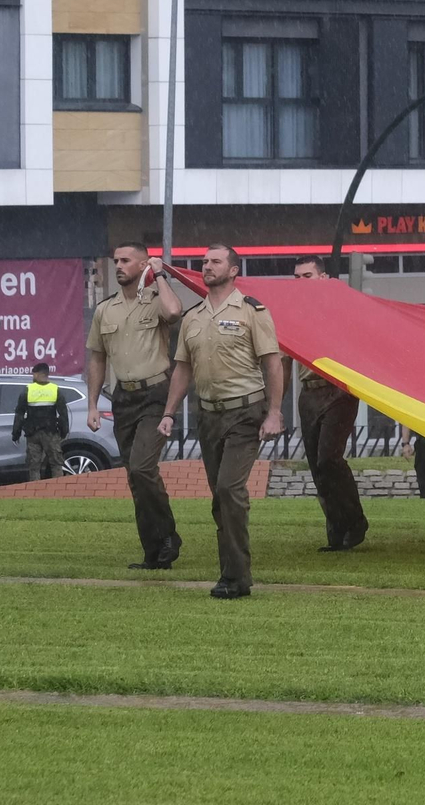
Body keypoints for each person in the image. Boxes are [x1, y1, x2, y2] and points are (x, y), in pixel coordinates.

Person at [159, 245, 285, 599]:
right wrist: (169, 413)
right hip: (208, 415)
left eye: (215, 261)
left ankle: (236, 577)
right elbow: (182, 368)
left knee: (230, 488)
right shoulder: (193, 316)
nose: (206, 266)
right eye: (204, 262)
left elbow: (272, 363)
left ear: (233, 271)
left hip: (246, 412)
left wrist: (274, 412)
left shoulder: (252, 311)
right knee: (221, 497)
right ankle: (230, 572)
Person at [85, 244, 184, 570]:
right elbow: (97, 358)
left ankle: (169, 535)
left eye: (126, 261)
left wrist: (160, 275)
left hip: (155, 394)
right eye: (116, 261)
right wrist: (92, 405)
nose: (119, 266)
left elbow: (173, 313)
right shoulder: (105, 310)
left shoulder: (156, 300)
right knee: (135, 478)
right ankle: (153, 553)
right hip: (123, 399)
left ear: (143, 264)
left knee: (142, 467)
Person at [292, 258, 369, 551]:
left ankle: (354, 520)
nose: (302, 282)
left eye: (308, 275)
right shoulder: (293, 314)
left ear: (324, 277)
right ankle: (337, 530)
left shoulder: (341, 307)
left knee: (328, 459)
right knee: (317, 467)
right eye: (297, 277)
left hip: (338, 392)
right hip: (308, 393)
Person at [12, 362, 72, 482]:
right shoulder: (55, 390)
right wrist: (64, 432)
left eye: (33, 374)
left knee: (34, 466)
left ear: (38, 374)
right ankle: (58, 490)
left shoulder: (28, 390)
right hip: (51, 433)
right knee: (56, 464)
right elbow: (63, 415)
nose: (32, 377)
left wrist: (16, 434)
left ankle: (35, 493)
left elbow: (19, 414)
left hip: (32, 434)